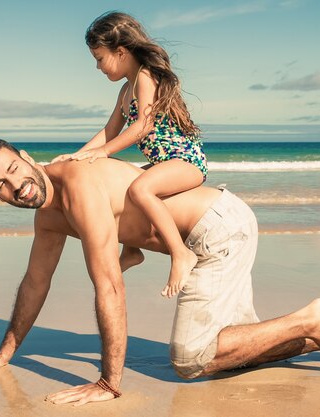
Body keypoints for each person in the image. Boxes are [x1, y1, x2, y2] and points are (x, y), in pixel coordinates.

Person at [0, 139, 320, 406]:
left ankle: (310, 319)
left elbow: (108, 284)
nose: (15, 185)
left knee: (190, 360)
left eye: (12, 169)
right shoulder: (48, 216)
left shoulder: (78, 185)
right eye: (0, 185)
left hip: (218, 230)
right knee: (241, 350)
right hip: (206, 234)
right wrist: (4, 353)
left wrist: (110, 382)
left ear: (26, 156)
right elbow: (35, 284)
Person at [53, 12, 207, 298]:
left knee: (141, 188)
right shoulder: (126, 89)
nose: (97, 67)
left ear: (121, 52)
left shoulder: (146, 77)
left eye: (99, 58)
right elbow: (110, 130)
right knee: (121, 192)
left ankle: (180, 253)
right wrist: (77, 156)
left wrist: (103, 153)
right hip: (163, 162)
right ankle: (132, 251)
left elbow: (142, 126)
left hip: (186, 161)